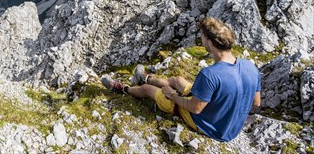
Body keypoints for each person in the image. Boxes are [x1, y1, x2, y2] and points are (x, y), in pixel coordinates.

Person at [101, 17, 261, 142]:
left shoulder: (210, 74)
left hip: (209, 126)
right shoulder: (250, 67)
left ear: (210, 43)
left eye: (203, 37)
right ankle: (143, 77)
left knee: (148, 91)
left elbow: (195, 109)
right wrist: (227, 107)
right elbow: (256, 102)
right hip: (228, 125)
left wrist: (173, 96)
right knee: (178, 80)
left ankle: (123, 88)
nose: (202, 39)